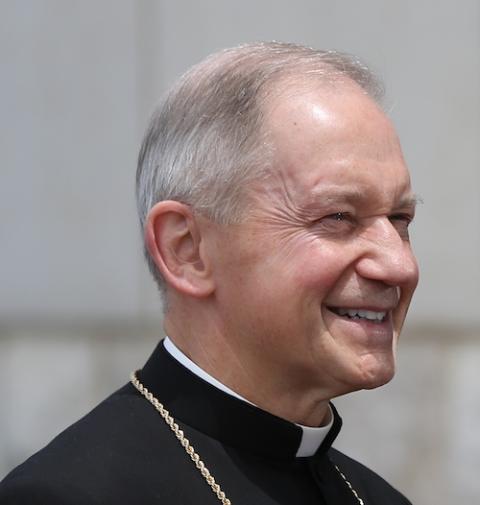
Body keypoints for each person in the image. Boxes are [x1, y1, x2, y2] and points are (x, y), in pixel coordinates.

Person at [0, 42, 419, 504]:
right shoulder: (65, 495)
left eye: (400, 219)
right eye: (338, 216)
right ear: (187, 250)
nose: (399, 265)